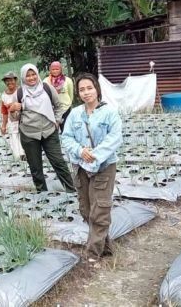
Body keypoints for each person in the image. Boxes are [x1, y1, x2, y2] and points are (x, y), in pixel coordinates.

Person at [61, 73, 123, 267]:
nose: (86, 92)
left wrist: (94, 154)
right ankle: (105, 246)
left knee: (100, 209)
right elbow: (66, 137)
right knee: (86, 208)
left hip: (104, 166)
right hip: (81, 166)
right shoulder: (75, 113)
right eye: (82, 89)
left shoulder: (109, 113)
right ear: (78, 93)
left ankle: (92, 253)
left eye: (89, 88)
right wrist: (81, 151)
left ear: (96, 89)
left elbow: (115, 138)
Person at [8, 63, 75, 193]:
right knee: (35, 167)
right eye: (28, 76)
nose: (31, 78)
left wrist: (56, 121)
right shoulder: (19, 93)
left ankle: (71, 190)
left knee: (58, 162)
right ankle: (42, 193)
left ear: (37, 74)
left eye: (33, 74)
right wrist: (12, 111)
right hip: (29, 134)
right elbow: (15, 118)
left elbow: (59, 106)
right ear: (23, 77)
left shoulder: (46, 88)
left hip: (49, 131)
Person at [0, 71, 25, 161]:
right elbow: (5, 112)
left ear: (15, 80)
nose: (9, 82)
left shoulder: (21, 91)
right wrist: (3, 126)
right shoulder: (4, 96)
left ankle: (24, 155)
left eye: (11, 80)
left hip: (23, 120)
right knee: (14, 138)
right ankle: (18, 157)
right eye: (7, 81)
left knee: (23, 138)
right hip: (12, 121)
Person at [44, 61, 75, 128]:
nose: (55, 71)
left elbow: (71, 94)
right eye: (53, 69)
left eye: (57, 69)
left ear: (61, 69)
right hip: (52, 109)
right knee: (53, 129)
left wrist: (69, 103)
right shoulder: (46, 81)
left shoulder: (68, 80)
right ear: (50, 70)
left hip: (65, 108)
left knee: (66, 127)